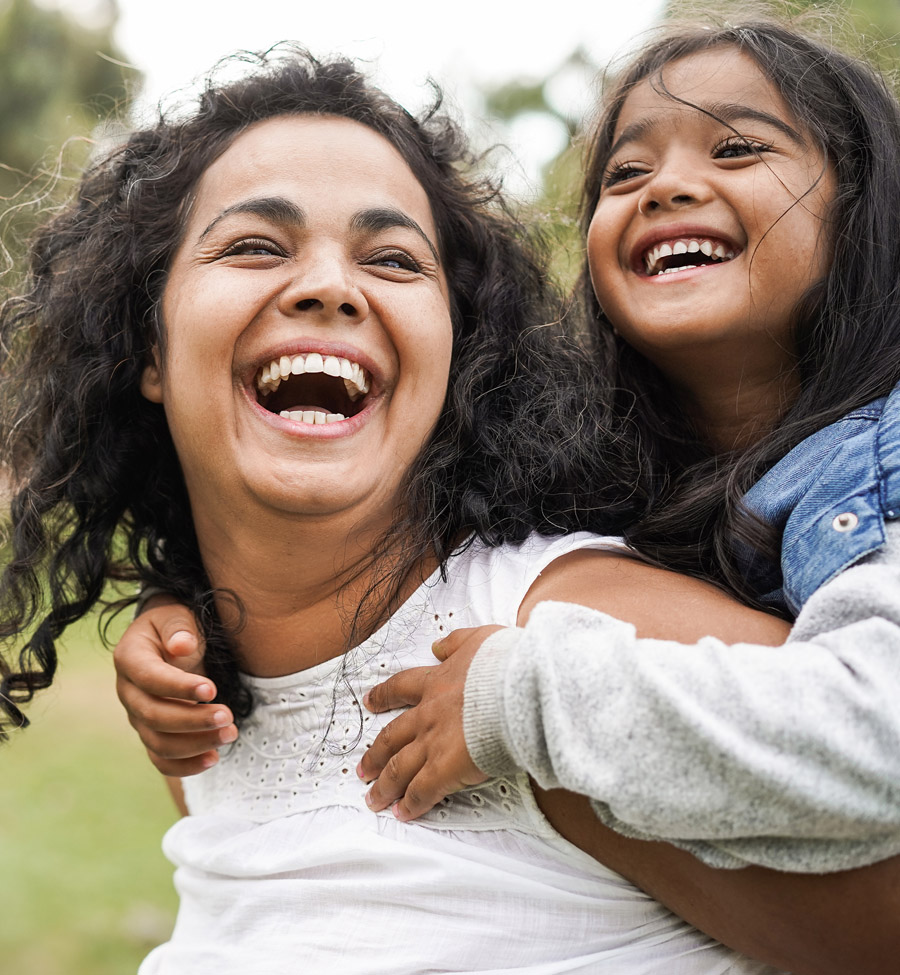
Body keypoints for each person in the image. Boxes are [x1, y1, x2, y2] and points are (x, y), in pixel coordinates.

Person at [0, 45, 803, 974]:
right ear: (148, 346)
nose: (331, 286)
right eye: (256, 244)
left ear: (457, 356)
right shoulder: (205, 708)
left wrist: (540, 710)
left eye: (391, 258)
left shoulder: (566, 645)